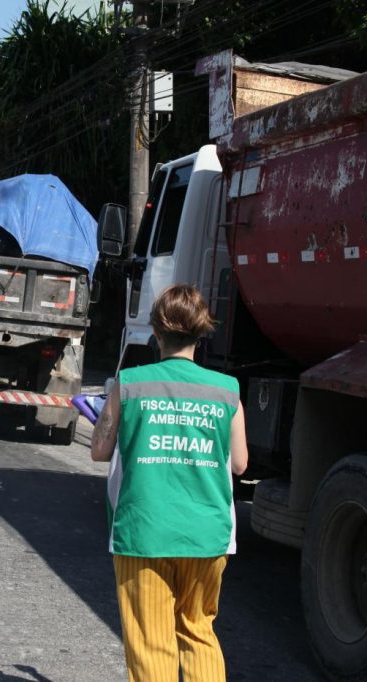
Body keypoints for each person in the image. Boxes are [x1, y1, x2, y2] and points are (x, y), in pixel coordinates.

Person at [90, 284, 249, 682]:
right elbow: (240, 464)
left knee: (151, 644)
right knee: (199, 632)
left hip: (144, 532)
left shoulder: (130, 383)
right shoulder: (227, 391)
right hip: (208, 535)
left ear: (156, 332)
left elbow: (99, 451)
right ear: (201, 333)